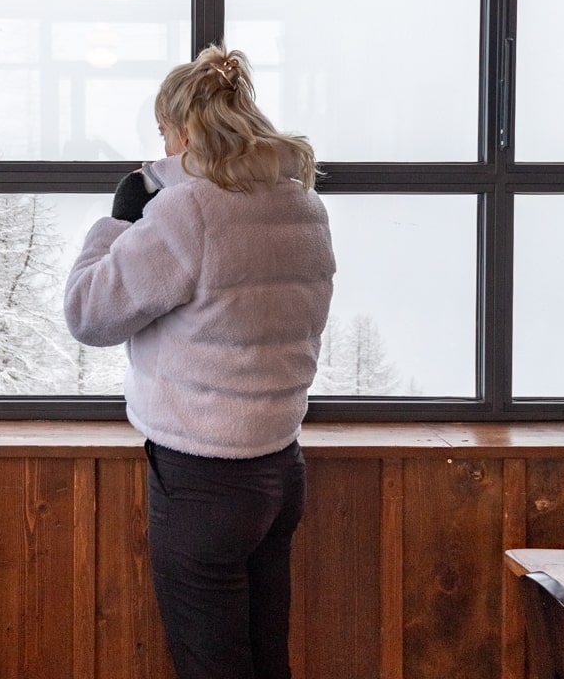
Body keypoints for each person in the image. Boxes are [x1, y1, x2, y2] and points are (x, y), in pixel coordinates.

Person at [63, 44, 335, 679]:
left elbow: (89, 313)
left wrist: (119, 219)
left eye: (162, 132)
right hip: (279, 467)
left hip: (202, 479)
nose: (160, 148)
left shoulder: (190, 211)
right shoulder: (303, 204)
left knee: (209, 665)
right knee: (267, 657)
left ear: (184, 130)